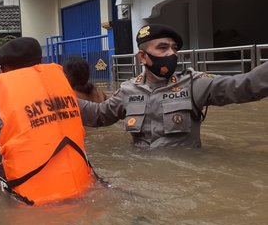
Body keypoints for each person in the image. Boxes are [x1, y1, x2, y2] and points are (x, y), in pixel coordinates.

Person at [0, 37, 96, 206]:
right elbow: (100, 114)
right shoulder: (68, 102)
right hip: (83, 194)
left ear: (5, 71)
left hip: (30, 208)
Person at [79, 23, 268, 148]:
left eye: (174, 48)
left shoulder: (194, 84)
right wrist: (56, 99)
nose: (172, 54)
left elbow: (245, 86)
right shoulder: (128, 90)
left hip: (186, 182)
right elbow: (99, 116)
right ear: (143, 57)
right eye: (162, 48)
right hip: (143, 178)